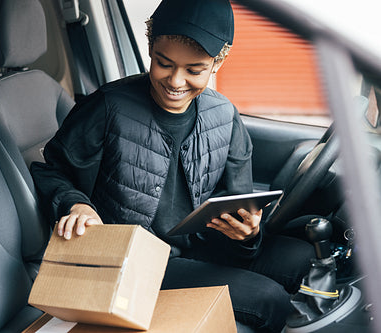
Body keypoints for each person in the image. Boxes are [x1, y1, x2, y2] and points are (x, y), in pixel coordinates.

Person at [31, 0, 314, 331]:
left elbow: (238, 201)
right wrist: (76, 205)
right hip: (136, 259)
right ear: (150, 48)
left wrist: (247, 234)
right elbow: (50, 170)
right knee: (270, 299)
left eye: (194, 70)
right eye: (163, 63)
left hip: (203, 244)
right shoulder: (107, 107)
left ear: (217, 63)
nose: (176, 81)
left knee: (305, 258)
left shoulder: (224, 115)